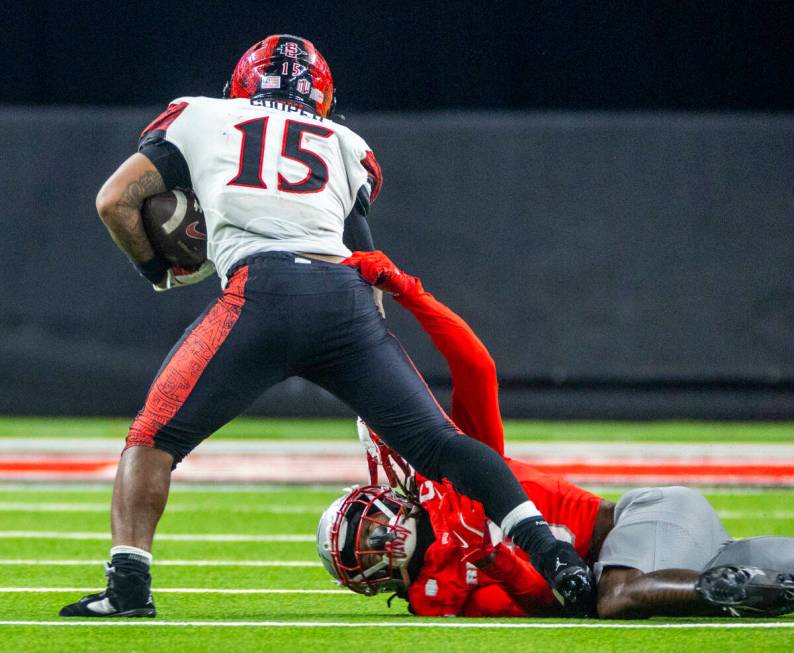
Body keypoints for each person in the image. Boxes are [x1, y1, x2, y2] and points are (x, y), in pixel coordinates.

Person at [60, 35, 593, 618]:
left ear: (241, 83)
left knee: (152, 441)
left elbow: (114, 201)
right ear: (321, 94)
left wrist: (163, 271)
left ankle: (128, 590)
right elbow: (365, 264)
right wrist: (374, 359)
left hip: (258, 296)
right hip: (344, 304)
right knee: (445, 447)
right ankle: (554, 556)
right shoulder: (344, 142)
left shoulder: (199, 115)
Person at [316, 250, 794, 619]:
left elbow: (476, 369)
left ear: (381, 499)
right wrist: (491, 558)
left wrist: (410, 293)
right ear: (367, 580)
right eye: (365, 545)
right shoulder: (433, 598)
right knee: (759, 574)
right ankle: (739, 585)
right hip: (671, 554)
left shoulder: (457, 475)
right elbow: (552, 603)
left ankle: (718, 593)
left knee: (616, 598)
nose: (379, 537)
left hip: (643, 522)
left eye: (369, 524)